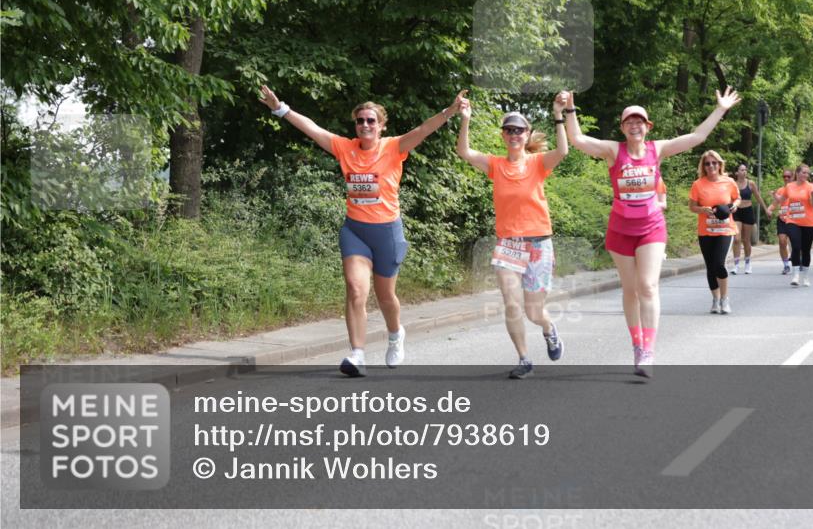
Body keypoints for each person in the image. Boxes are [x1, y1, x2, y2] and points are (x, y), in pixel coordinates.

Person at [258, 85, 465, 377]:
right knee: (356, 290)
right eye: (360, 121)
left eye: (371, 120)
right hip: (355, 231)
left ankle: (395, 334)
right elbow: (313, 129)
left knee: (385, 298)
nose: (365, 125)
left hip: (387, 233)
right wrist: (280, 108)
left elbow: (423, 129)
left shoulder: (393, 147)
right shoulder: (345, 147)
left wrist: (451, 110)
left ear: (381, 126)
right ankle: (357, 354)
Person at [562, 87, 741, 377]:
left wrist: (720, 109)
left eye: (640, 121)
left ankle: (648, 349)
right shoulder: (612, 151)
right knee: (630, 290)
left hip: (650, 227)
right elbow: (578, 139)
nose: (635, 125)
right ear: (623, 127)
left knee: (647, 286)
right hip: (620, 229)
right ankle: (636, 343)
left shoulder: (657, 150)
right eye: (629, 121)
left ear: (647, 127)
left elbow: (696, 138)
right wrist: (570, 109)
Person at [455, 93, 568, 379]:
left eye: (519, 130)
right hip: (508, 244)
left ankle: (548, 329)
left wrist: (559, 114)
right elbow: (465, 153)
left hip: (539, 243)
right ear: (503, 136)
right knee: (511, 303)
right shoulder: (495, 165)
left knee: (533, 311)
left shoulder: (538, 163)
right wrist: (465, 119)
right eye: (509, 130)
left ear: (526, 134)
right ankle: (524, 358)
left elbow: (563, 151)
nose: (514, 134)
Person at [688, 151, 741, 314]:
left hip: (725, 230)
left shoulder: (729, 182)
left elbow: (737, 198)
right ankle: (715, 299)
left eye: (714, 163)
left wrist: (735, 205)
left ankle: (725, 299)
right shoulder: (698, 184)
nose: (711, 166)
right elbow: (691, 206)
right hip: (706, 231)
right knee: (711, 267)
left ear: (719, 165)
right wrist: (702, 209)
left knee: (719, 264)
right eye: (707, 163)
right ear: (703, 166)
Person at [772, 164, 813, 287]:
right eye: (803, 172)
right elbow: (783, 200)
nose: (806, 175)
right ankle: (795, 275)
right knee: (796, 246)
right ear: (798, 173)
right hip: (793, 221)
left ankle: (805, 276)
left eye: (807, 173)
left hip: (809, 222)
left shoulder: (810, 186)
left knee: (806, 250)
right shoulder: (789, 186)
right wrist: (775, 197)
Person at [730, 163, 766, 275]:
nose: (744, 172)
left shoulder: (751, 184)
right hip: (736, 212)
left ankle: (747, 263)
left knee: (746, 240)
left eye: (745, 170)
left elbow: (758, 197)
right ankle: (735, 265)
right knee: (736, 239)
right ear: (737, 173)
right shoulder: (733, 184)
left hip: (748, 212)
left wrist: (766, 209)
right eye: (741, 170)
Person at [765, 169, 795, 274]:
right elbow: (775, 203)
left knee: (795, 244)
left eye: (788, 176)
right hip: (782, 219)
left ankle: (798, 262)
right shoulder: (780, 190)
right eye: (784, 176)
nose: (786, 178)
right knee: (782, 242)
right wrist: (769, 209)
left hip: (794, 220)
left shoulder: (796, 189)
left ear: (792, 177)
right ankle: (786, 265)